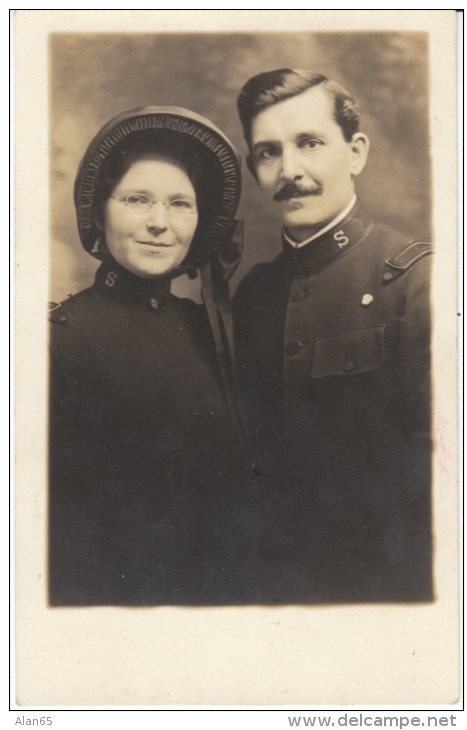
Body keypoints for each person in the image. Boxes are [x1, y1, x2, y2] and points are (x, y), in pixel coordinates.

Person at [233, 69, 433, 603]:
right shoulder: (254, 296)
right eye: (268, 152)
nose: (290, 170)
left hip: (390, 592)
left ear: (356, 152)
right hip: (273, 591)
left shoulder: (420, 282)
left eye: (310, 143)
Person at [49, 106, 255, 606]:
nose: (159, 224)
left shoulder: (216, 334)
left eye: (180, 204)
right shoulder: (57, 341)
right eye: (137, 200)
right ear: (101, 212)